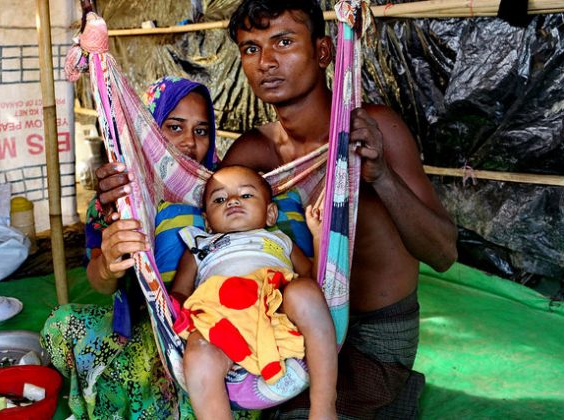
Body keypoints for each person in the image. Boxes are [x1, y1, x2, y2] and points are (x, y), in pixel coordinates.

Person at [220, 1, 459, 418]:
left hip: (376, 341)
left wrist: (382, 175)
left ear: (324, 52)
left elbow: (444, 254)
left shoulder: (375, 129)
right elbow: (203, 240)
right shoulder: (253, 155)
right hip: (290, 329)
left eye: (284, 42)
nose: (267, 62)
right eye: (251, 49)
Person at [42, 76, 258, 419]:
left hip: (210, 329)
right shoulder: (120, 198)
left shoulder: (224, 191)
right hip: (146, 323)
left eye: (202, 131)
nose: (189, 142)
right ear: (150, 133)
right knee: (61, 323)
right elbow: (100, 281)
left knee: (190, 382)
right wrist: (110, 263)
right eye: (174, 127)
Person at [170, 165, 337, 419]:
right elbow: (180, 294)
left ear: (270, 214)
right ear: (207, 222)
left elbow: (316, 283)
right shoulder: (199, 245)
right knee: (199, 353)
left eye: (246, 195)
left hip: (276, 309)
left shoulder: (280, 239)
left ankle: (324, 406)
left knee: (304, 291)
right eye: (220, 199)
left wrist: (317, 237)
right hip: (222, 322)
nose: (233, 201)